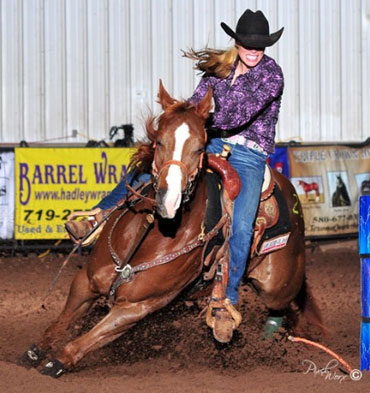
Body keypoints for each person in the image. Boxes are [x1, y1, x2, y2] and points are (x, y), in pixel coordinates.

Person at [66, 8, 284, 314]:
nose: (253, 50)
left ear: (266, 46)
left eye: (259, 45)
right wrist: (186, 119)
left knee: (243, 224)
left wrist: (195, 117)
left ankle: (228, 298)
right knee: (150, 173)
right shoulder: (218, 72)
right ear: (237, 43)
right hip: (210, 141)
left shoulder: (271, 74)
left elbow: (240, 113)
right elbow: (197, 104)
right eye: (248, 43)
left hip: (248, 153)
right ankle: (98, 218)